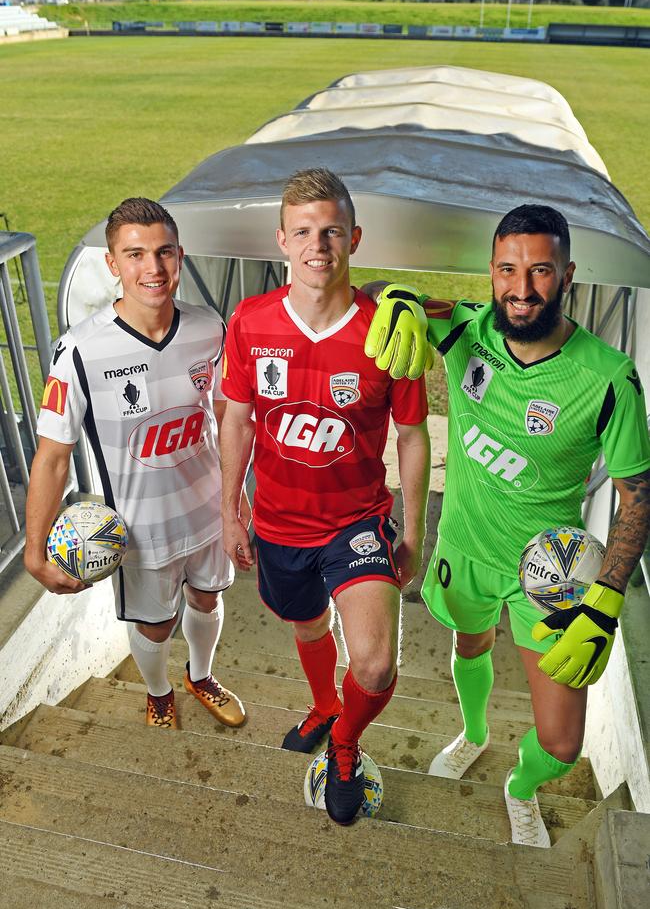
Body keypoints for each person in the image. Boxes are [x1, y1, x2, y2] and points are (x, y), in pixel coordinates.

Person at [364, 204, 650, 847]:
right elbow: (378, 293)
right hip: (465, 545)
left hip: (548, 575)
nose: (522, 290)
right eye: (507, 270)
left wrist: (604, 598)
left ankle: (520, 787)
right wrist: (402, 297)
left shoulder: (608, 377)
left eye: (541, 271)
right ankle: (473, 733)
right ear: (490, 273)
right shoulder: (466, 329)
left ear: (568, 274)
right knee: (470, 645)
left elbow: (638, 497)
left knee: (562, 741)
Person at [219, 168, 431, 825]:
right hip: (280, 522)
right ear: (282, 240)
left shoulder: (388, 331)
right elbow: (236, 418)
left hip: (356, 521)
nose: (319, 245)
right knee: (307, 623)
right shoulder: (251, 323)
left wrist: (416, 532)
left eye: (333, 231)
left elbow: (414, 435)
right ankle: (322, 704)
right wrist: (232, 507)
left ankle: (344, 744)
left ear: (354, 238)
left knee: (372, 662)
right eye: (305, 232)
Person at [25, 197, 246, 732]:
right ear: (113, 263)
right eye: (136, 254)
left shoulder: (208, 328)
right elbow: (53, 458)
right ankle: (159, 691)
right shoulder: (77, 351)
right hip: (140, 531)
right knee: (155, 624)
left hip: (210, 511)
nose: (153, 268)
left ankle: (200, 674)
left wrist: (238, 502)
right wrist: (35, 553)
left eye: (164, 252)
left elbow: (226, 415)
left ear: (180, 255)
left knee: (209, 596)